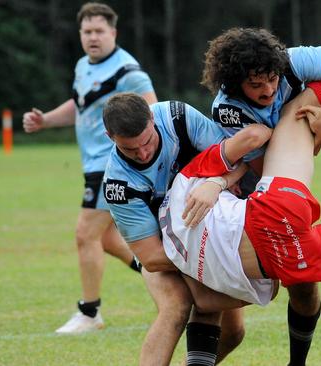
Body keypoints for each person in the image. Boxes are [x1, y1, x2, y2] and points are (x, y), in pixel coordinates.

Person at [200, 16, 321, 365]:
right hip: (247, 182)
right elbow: (265, 169)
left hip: (285, 166)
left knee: (304, 282)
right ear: (235, 84)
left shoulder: (290, 60)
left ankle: (297, 363)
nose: (267, 90)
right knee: (225, 318)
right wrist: (305, 131)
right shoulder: (229, 110)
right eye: (256, 85)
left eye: (273, 80)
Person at [21, 2, 156, 334]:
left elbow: (154, 115)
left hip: (112, 165)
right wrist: (46, 121)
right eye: (87, 31)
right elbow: (81, 105)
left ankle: (89, 312)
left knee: (85, 235)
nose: (93, 37)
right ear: (80, 34)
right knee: (108, 240)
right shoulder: (84, 66)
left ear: (113, 33)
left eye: (99, 31)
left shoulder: (129, 74)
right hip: (92, 165)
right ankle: (170, 275)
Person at [102, 93, 252, 365]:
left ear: (152, 118)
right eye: (130, 149)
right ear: (109, 136)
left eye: (147, 141)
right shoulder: (118, 185)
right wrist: (212, 256)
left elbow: (237, 157)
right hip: (166, 255)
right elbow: (151, 258)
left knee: (233, 333)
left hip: (209, 233)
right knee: (176, 306)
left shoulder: (177, 117)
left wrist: (217, 183)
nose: (143, 153)